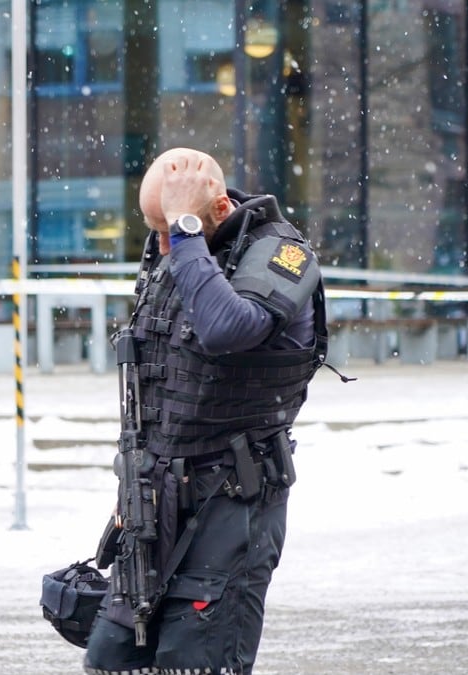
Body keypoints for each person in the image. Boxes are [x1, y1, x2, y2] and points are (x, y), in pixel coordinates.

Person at [83, 148, 329, 675]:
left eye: (169, 228)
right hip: (158, 501)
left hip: (232, 500)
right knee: (111, 661)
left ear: (215, 207)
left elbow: (226, 329)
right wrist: (130, 494)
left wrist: (186, 231)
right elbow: (161, 388)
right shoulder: (184, 252)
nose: (163, 245)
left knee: (192, 665)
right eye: (157, 229)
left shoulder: (283, 255)